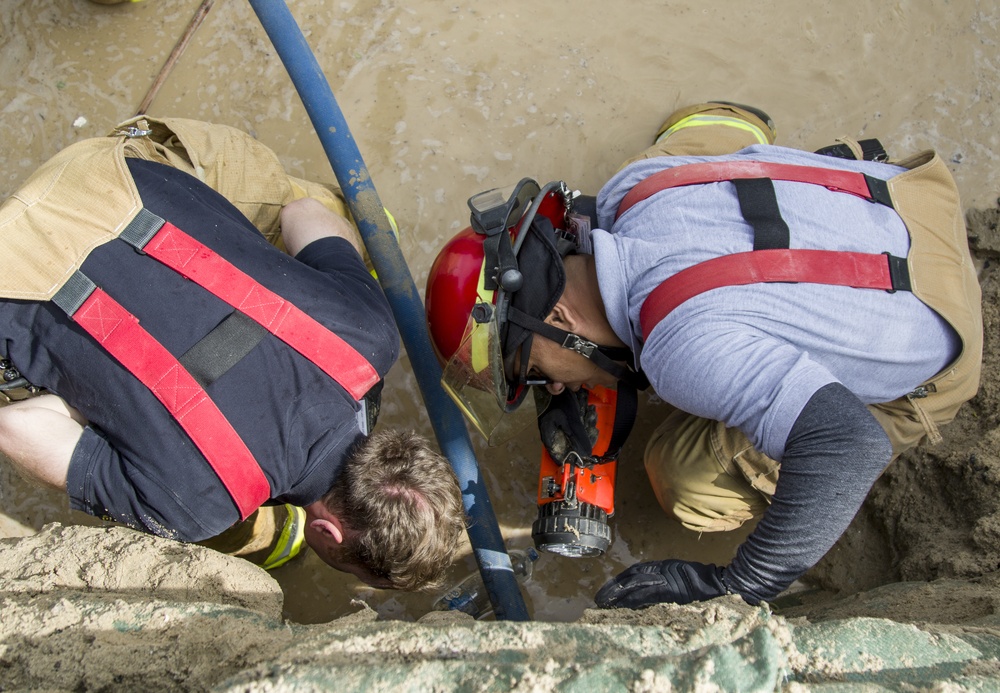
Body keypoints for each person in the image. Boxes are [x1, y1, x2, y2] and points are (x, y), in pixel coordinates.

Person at [425, 102, 982, 607]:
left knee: (679, 477)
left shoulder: (678, 348)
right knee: (692, 151)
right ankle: (734, 122)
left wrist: (734, 584)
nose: (558, 390)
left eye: (540, 374)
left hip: (945, 340)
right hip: (916, 197)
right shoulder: (633, 187)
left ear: (559, 319)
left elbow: (846, 445)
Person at [0, 116, 465, 591]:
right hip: (12, 273)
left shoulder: (371, 337)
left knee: (320, 208)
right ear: (327, 533)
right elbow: (17, 428)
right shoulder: (198, 505)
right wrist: (109, 402)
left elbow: (302, 214)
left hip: (102, 172)